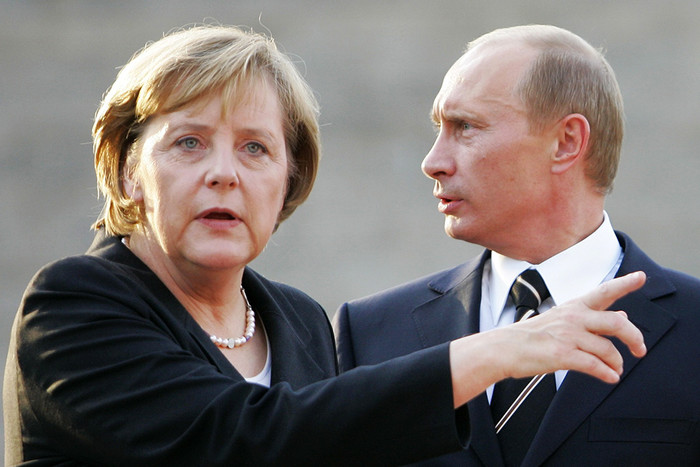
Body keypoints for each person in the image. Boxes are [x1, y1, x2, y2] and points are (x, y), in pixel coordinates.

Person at [3, 24, 648, 466]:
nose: (224, 173)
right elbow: (243, 438)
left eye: (255, 148)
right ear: (126, 172)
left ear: (288, 180)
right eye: (188, 143)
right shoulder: (72, 305)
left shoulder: (302, 322)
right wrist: (495, 351)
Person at [335, 24, 700, 466]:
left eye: (465, 126)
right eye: (439, 128)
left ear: (566, 142)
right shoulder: (370, 333)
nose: (432, 162)